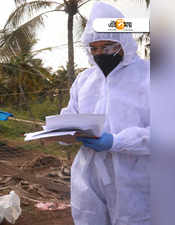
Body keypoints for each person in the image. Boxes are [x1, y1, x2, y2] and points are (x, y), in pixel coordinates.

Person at [58, 2, 150, 225]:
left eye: (108, 47)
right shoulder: (85, 80)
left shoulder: (149, 76)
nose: (101, 54)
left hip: (137, 178)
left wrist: (116, 141)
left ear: (123, 43)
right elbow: (71, 116)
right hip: (89, 176)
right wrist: (60, 132)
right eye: (95, 48)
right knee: (89, 218)